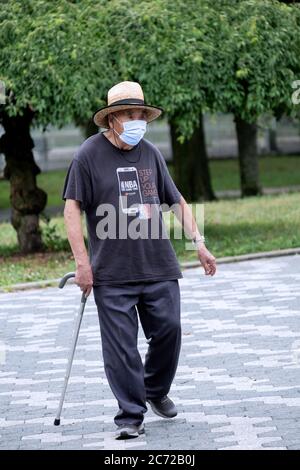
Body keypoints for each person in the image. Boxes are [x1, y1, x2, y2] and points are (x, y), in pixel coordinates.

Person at [62, 81, 216, 440]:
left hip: (157, 265)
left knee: (169, 330)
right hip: (111, 272)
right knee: (121, 348)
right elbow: (71, 210)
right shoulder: (87, 155)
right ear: (112, 119)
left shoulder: (150, 152)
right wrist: (82, 263)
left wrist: (199, 243)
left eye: (141, 115)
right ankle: (130, 415)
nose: (138, 121)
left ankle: (155, 389)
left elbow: (176, 200)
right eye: (130, 115)